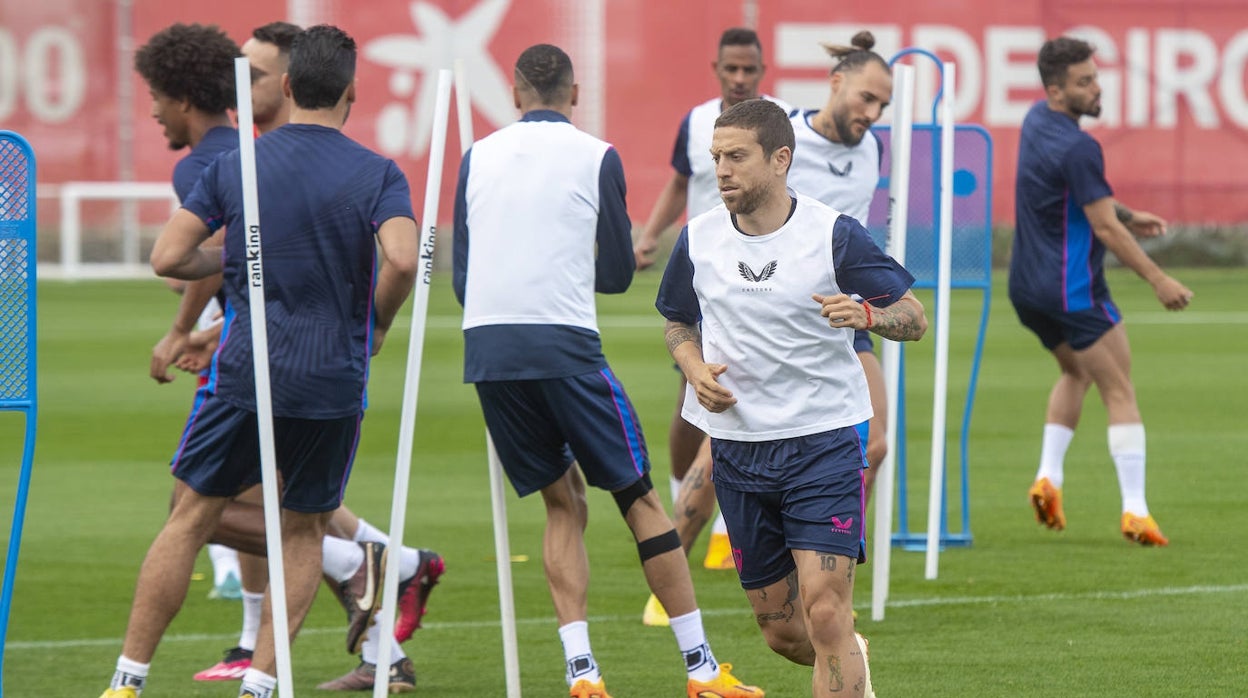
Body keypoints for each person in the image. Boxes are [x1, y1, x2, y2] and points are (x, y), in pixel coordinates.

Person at [100, 24, 420, 698]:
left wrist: (237, 259)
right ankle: (262, 684)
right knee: (301, 529)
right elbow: (401, 257)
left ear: (293, 86)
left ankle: (127, 681)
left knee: (190, 516)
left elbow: (169, 257)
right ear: (352, 92)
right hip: (333, 372)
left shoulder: (235, 163)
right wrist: (378, 322)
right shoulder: (378, 172)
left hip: (246, 369)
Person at [453, 43, 763, 698]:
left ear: (513, 95)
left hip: (488, 349)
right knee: (638, 499)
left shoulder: (475, 155)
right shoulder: (597, 154)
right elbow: (620, 274)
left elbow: (462, 278)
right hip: (563, 344)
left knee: (560, 502)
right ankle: (702, 669)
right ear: (573, 95)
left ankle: (582, 670)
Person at [656, 98, 928, 697]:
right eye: (716, 158)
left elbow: (914, 316)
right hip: (738, 453)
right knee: (784, 633)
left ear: (780, 159)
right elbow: (677, 322)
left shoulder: (832, 234)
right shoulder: (697, 239)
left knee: (827, 610)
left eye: (736, 157)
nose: (722, 170)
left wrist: (866, 314)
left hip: (823, 445)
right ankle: (851, 664)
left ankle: (843, 656)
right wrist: (693, 365)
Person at [662, 31, 897, 626]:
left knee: (873, 439)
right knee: (728, 436)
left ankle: (823, 548)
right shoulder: (777, 131)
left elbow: (878, 261)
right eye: (866, 98)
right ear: (836, 84)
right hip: (755, 301)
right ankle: (669, 569)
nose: (872, 114)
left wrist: (868, 306)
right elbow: (677, 314)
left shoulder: (869, 156)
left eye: (883, 106)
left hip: (834, 307)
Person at [633, 25, 792, 626]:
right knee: (695, 395)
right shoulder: (697, 122)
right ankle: (690, 498)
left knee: (748, 388)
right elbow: (680, 181)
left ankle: (725, 521)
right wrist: (650, 234)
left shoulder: (777, 126)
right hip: (705, 267)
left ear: (761, 69)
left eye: (750, 70)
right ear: (716, 67)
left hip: (761, 269)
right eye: (731, 69)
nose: (740, 79)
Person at [1012, 36, 1191, 547]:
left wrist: (1130, 213)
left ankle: (1049, 476)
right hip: (1073, 291)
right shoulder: (1081, 145)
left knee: (1075, 372)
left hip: (1026, 289)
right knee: (1120, 389)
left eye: (1095, 77)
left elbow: (1074, 196)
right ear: (1056, 90)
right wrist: (1159, 280)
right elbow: (1106, 230)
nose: (1097, 88)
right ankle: (1136, 510)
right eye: (1085, 82)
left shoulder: (1035, 121)